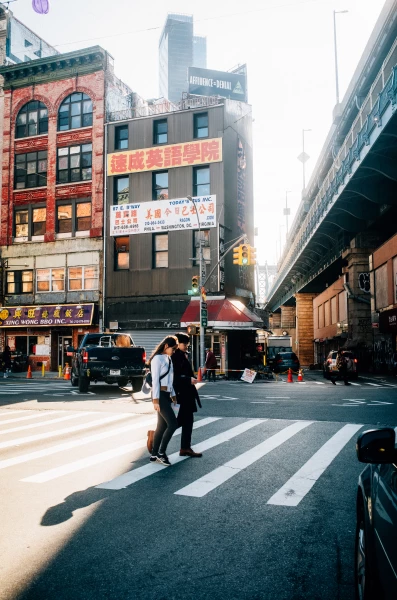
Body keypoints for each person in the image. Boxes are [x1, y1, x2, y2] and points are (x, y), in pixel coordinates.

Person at [148, 336, 179, 466]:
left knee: (161, 426)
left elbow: (170, 379)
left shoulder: (168, 358)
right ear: (166, 346)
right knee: (172, 424)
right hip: (159, 395)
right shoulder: (157, 359)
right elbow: (155, 380)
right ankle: (161, 453)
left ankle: (154, 455)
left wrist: (173, 394)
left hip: (166, 395)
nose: (174, 351)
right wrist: (155, 400)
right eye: (173, 348)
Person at [172, 332, 202, 458]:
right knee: (176, 422)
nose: (186, 345)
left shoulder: (184, 355)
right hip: (179, 393)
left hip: (187, 393)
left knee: (188, 420)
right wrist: (187, 379)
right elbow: (173, 377)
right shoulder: (174, 357)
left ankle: (185, 447)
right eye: (184, 343)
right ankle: (156, 435)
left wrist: (192, 378)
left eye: (187, 343)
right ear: (177, 343)